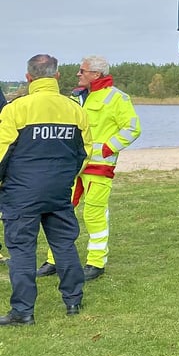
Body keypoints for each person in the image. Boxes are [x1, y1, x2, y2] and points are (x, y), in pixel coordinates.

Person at [0, 54, 88, 325]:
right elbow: (84, 152)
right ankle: (73, 300)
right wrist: (65, 179)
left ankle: (23, 311)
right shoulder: (74, 109)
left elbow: (2, 154)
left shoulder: (16, 109)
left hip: (21, 192)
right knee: (63, 244)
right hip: (58, 190)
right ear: (57, 76)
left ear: (28, 77)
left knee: (22, 250)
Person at [37, 55, 141, 282]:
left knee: (94, 213)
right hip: (72, 165)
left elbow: (132, 129)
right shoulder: (75, 97)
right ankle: (54, 259)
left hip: (99, 166)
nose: (78, 74)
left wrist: (107, 148)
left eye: (82, 71)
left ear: (96, 74)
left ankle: (96, 262)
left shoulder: (117, 98)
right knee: (60, 211)